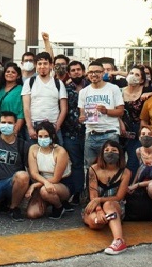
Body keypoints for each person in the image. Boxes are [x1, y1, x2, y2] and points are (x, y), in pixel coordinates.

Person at [83, 140, 131, 255]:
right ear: (102, 154)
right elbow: (93, 195)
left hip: (115, 205)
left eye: (114, 150)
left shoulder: (125, 172)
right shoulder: (93, 169)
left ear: (120, 154)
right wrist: (99, 209)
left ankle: (119, 241)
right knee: (96, 223)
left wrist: (100, 200)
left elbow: (119, 197)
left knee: (108, 204)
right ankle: (107, 219)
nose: (110, 153)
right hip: (95, 206)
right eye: (107, 150)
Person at [78, 61, 125, 166]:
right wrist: (82, 118)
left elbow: (120, 111)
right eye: (90, 72)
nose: (93, 74)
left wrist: (106, 111)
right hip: (91, 133)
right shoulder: (83, 92)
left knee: (112, 166)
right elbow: (82, 114)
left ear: (103, 73)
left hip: (110, 133)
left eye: (97, 72)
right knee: (90, 168)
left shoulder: (113, 89)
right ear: (87, 74)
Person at [25, 122, 72, 219]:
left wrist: (35, 185)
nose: (43, 139)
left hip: (60, 185)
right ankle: (47, 201)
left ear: (52, 136)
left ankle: (59, 206)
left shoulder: (60, 151)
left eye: (46, 136)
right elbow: (34, 173)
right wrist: (44, 182)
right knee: (32, 214)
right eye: (40, 136)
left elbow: (56, 178)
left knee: (45, 191)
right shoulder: (33, 149)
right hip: (43, 183)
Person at [22, 52, 67, 144]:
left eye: (45, 63)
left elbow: (64, 109)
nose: (42, 66)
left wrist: (57, 127)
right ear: (36, 65)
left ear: (51, 65)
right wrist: (30, 128)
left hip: (53, 125)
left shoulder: (58, 83)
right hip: (34, 125)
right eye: (39, 64)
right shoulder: (29, 82)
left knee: (56, 155)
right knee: (33, 155)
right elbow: (26, 107)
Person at [60, 60, 89, 206]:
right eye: (73, 70)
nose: (76, 72)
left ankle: (91, 192)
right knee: (77, 164)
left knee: (92, 164)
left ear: (83, 71)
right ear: (69, 73)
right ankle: (78, 193)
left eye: (78, 69)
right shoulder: (65, 89)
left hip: (90, 133)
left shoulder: (92, 87)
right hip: (70, 133)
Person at [121, 65, 147, 174]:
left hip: (139, 129)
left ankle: (131, 186)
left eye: (137, 75)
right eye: (131, 73)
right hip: (122, 128)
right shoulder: (119, 91)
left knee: (133, 160)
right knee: (119, 159)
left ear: (142, 80)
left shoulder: (146, 91)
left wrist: (151, 93)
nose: (133, 76)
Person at [0, 62, 25, 135]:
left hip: (11, 126)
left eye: (13, 72)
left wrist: (15, 132)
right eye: (7, 72)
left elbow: (21, 113)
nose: (10, 73)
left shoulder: (21, 90)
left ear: (18, 76)